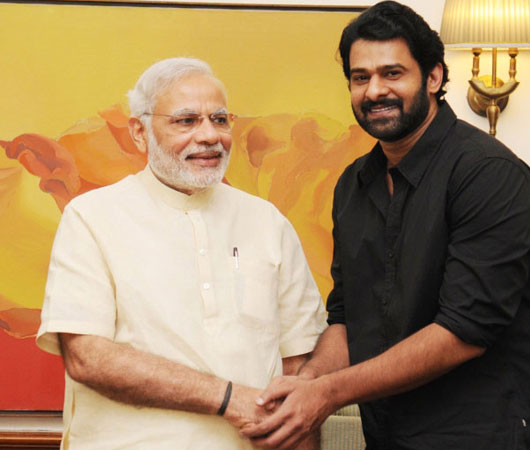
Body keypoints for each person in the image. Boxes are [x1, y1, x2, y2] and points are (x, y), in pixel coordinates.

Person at [241, 2, 530, 449]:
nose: (374, 91)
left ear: (433, 77)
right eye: (360, 77)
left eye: (392, 73)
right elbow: (347, 319)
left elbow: (465, 330)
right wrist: (307, 382)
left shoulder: (489, 174)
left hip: (484, 435)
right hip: (389, 435)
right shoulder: (353, 184)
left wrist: (327, 394)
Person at [36, 57, 326, 449]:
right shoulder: (91, 217)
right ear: (140, 132)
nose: (209, 136)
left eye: (219, 120)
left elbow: (298, 368)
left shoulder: (268, 222)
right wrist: (228, 399)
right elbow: (88, 357)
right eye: (186, 121)